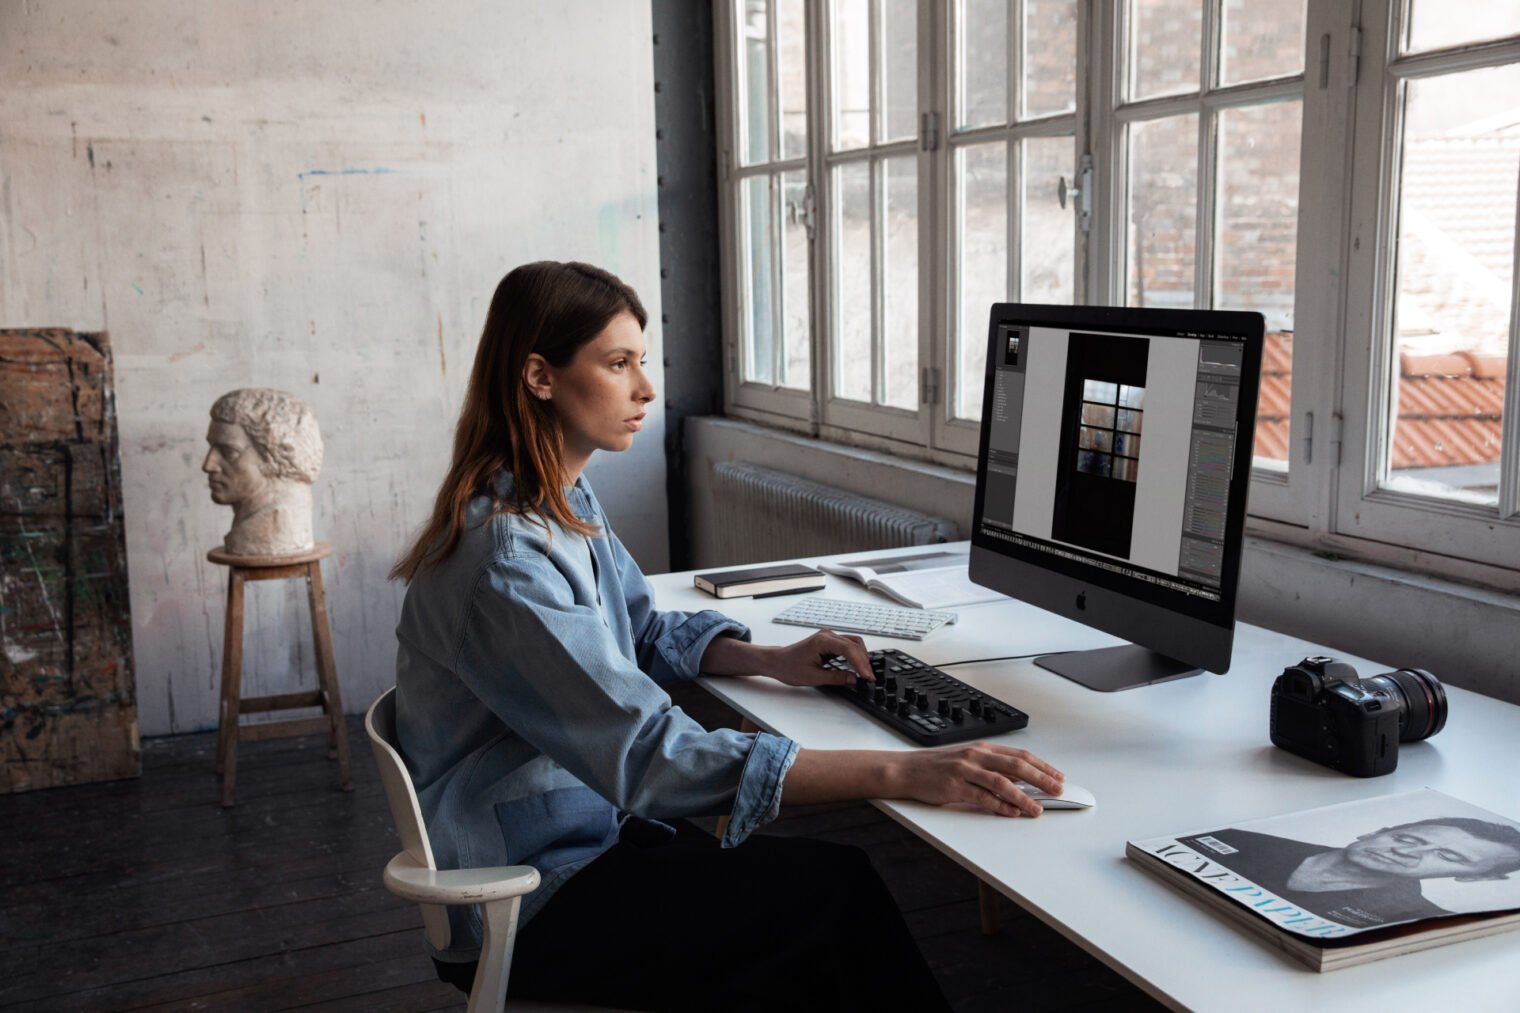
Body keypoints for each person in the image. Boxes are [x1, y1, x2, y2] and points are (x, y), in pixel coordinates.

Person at [389, 260, 1066, 1012]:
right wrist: (904, 771)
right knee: (836, 896)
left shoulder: (555, 499)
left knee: (822, 904)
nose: (645, 389)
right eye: (618, 364)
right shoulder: (509, 560)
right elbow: (652, 758)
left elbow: (637, 629)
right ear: (539, 377)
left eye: (641, 360)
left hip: (590, 838)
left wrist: (771, 658)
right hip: (533, 896)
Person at [1179, 817, 1520, 930]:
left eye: (1448, 856)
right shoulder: (1236, 839)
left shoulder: (1414, 925)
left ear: (1477, 877)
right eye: (1405, 838)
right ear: (1375, 831)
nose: (1405, 852)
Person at [203, 388, 323, 555]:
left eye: (228, 452)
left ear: (272, 457)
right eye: (212, 448)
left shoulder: (279, 522)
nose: (208, 465)